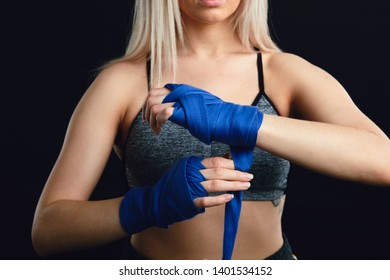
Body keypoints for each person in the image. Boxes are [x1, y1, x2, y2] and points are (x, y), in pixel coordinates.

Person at [32, 0, 390, 260]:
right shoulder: (122, 82)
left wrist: (241, 121)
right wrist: (148, 205)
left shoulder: (284, 73)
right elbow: (47, 231)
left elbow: (382, 160)